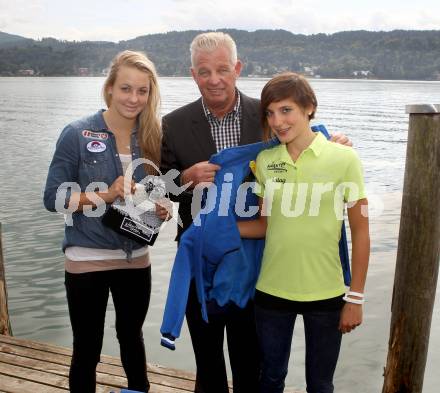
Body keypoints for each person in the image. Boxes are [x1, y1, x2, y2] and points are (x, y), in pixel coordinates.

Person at [161, 32, 352, 393]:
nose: (214, 79)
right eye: (204, 72)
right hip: (199, 258)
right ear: (193, 74)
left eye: (222, 69)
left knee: (252, 364)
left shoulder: (266, 115)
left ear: (237, 68)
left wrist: (334, 141)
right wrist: (185, 178)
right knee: (208, 367)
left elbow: (305, 142)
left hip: (255, 261)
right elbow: (158, 186)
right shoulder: (172, 123)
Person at [44, 50, 170, 393]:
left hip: (135, 259)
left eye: (142, 91)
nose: (134, 98)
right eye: (126, 88)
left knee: (132, 339)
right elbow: (53, 199)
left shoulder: (152, 136)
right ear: (110, 88)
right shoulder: (77, 133)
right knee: (87, 346)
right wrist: (105, 195)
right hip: (87, 260)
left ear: (150, 94)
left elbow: (152, 190)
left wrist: (160, 207)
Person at [237, 72, 370, 393]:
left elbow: (361, 230)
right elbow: (265, 225)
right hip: (271, 292)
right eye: (270, 113)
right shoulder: (265, 161)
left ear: (309, 107)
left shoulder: (345, 158)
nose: (277, 121)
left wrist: (355, 297)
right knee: (270, 379)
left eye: (286, 110)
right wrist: (215, 231)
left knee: (321, 384)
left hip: (326, 294)